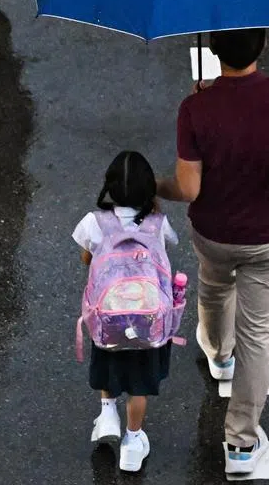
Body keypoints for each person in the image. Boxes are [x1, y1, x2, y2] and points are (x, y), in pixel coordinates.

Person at [154, 28, 269, 475]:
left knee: (215, 289)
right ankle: (240, 445)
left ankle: (219, 353)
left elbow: (188, 187)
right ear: (264, 45)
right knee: (258, 335)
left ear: (213, 50)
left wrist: (154, 186)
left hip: (215, 233)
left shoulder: (195, 109)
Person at [73, 151, 180, 472]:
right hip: (148, 324)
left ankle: (107, 411)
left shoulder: (94, 222)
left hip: (108, 318)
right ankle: (133, 443)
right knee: (139, 386)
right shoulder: (158, 222)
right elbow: (167, 246)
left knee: (109, 359)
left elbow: (86, 258)